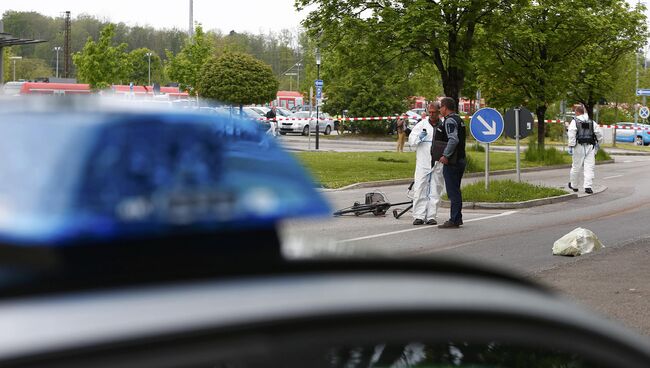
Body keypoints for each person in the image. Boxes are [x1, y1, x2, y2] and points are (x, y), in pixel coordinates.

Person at [408, 102, 444, 225]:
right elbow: (411, 141)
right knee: (420, 188)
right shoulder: (421, 125)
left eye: (434, 112)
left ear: (439, 112)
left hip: (438, 162)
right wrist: (419, 138)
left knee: (436, 188)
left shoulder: (443, 126)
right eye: (430, 112)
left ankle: (431, 216)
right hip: (423, 162)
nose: (432, 114)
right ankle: (419, 215)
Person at [437, 97, 466, 229]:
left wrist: (445, 155)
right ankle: (457, 218)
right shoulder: (459, 119)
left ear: (444, 107)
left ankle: (454, 219)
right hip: (461, 159)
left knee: (453, 191)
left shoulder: (449, 121)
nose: (440, 110)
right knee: (456, 190)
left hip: (453, 161)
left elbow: (453, 140)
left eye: (440, 107)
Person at [567, 105, 603, 194]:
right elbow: (599, 134)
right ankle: (588, 187)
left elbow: (571, 134)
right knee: (589, 167)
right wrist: (599, 143)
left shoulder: (574, 122)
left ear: (577, 112)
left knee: (576, 167)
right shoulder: (592, 122)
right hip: (590, 146)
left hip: (578, 146)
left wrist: (571, 146)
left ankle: (574, 186)